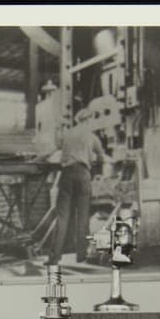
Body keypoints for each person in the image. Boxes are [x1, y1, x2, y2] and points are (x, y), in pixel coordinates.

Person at [42, 108, 112, 265]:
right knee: (83, 215)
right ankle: (81, 255)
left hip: (66, 175)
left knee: (62, 216)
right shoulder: (92, 137)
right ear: (88, 120)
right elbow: (101, 158)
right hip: (83, 174)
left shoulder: (68, 134)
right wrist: (92, 161)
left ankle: (54, 258)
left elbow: (58, 148)